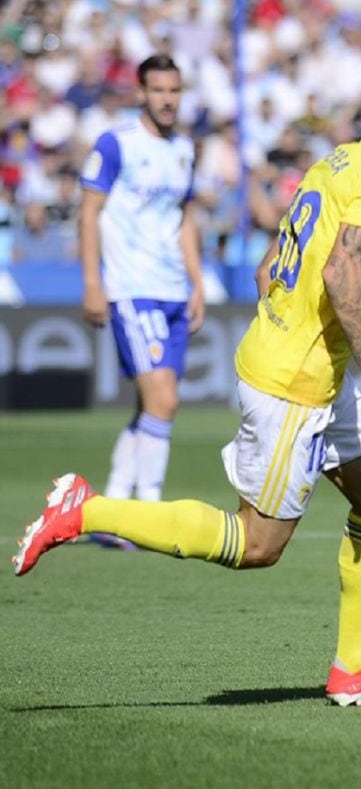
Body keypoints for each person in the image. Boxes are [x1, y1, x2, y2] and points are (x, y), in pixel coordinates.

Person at [14, 50, 361, 706]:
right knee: (257, 544)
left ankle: (357, 662)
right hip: (296, 381)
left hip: (303, 362)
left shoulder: (339, 158)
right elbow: (342, 273)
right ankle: (86, 509)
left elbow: (268, 266)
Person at [78, 54, 204, 521]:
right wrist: (93, 281)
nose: (168, 100)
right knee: (163, 399)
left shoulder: (185, 149)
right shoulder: (116, 145)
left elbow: (185, 219)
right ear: (141, 93)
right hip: (132, 286)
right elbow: (88, 212)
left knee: (150, 402)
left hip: (173, 289)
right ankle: (148, 512)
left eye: (174, 91)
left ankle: (109, 510)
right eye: (158, 91)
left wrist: (197, 283)